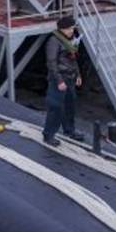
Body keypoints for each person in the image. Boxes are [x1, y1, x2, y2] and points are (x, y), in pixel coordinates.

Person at [43, 16, 83, 146]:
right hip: (59, 79)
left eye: (73, 28)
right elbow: (51, 62)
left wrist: (78, 74)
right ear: (62, 29)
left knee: (69, 105)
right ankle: (48, 134)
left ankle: (69, 130)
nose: (72, 31)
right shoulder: (54, 41)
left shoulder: (68, 40)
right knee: (55, 107)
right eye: (70, 28)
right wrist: (59, 80)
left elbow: (73, 59)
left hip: (70, 77)